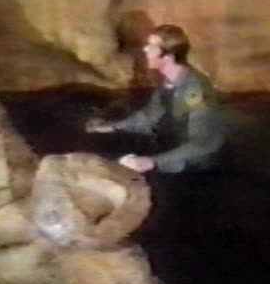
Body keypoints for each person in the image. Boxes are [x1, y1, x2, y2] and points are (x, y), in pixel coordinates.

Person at [85, 24, 227, 173]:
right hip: (174, 149)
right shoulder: (168, 81)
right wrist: (113, 127)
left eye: (152, 47)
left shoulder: (196, 90)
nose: (145, 49)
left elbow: (204, 143)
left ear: (168, 57)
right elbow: (149, 117)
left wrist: (153, 161)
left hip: (198, 166)